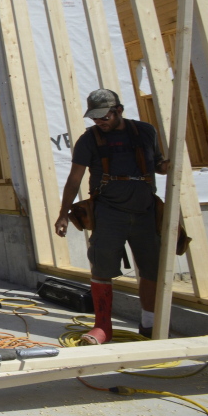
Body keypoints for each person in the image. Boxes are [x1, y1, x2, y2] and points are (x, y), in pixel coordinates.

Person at [54, 88, 169, 344]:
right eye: (95, 118)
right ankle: (102, 326)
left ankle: (149, 324)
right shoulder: (89, 139)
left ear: (118, 111)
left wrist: (169, 165)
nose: (99, 122)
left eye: (103, 117)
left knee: (152, 267)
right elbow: (75, 179)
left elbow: (159, 166)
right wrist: (63, 214)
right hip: (109, 212)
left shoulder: (145, 132)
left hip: (145, 212)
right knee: (101, 266)